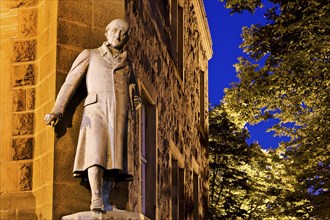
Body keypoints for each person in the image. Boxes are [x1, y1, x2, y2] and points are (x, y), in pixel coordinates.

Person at [44, 19, 141, 211]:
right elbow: (70, 83)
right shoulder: (91, 55)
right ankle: (95, 197)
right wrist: (58, 110)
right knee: (95, 153)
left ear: (127, 38)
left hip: (119, 113)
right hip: (96, 110)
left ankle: (106, 198)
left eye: (123, 33)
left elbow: (133, 88)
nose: (118, 35)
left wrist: (135, 98)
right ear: (106, 32)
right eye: (114, 30)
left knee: (114, 159)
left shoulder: (127, 63)